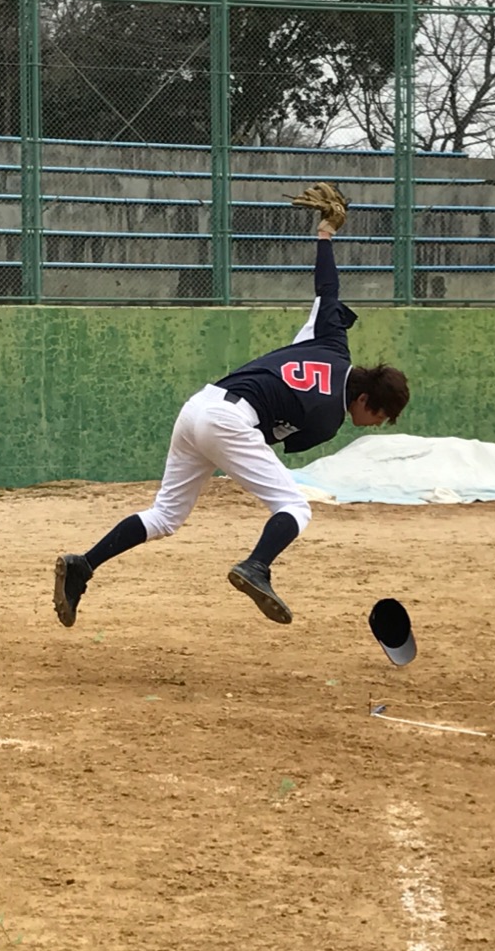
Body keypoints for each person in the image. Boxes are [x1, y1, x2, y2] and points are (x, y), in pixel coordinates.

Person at [53, 196, 409, 628]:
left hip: (198, 406)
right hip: (230, 423)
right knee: (295, 508)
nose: (378, 424)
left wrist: (326, 233)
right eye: (382, 416)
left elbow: (328, 289)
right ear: (366, 401)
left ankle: (83, 566)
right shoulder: (328, 420)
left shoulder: (332, 342)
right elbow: (277, 442)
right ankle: (256, 566)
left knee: (165, 516)